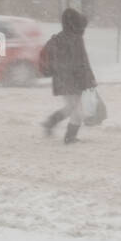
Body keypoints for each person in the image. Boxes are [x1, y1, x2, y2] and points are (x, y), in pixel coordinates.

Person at [40, 8, 97, 144]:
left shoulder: (59, 38)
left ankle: (51, 122)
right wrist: (89, 80)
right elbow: (82, 62)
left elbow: (53, 58)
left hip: (63, 79)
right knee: (77, 110)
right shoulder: (75, 39)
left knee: (71, 107)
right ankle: (70, 137)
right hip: (73, 80)